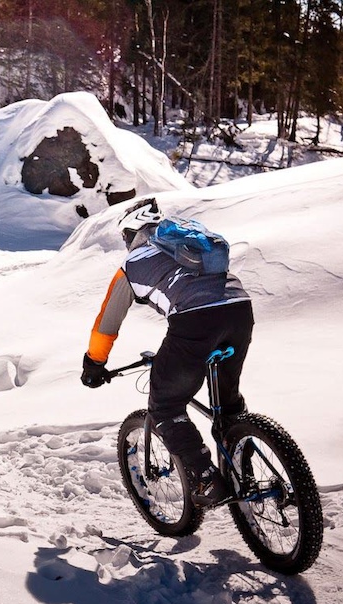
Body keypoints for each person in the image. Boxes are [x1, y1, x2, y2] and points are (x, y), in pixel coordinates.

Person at [81, 198, 254, 507]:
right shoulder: (189, 243)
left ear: (132, 233)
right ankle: (246, 470)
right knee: (228, 406)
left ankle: (205, 480)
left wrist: (94, 363)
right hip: (240, 310)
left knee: (165, 406)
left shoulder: (133, 263)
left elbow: (107, 323)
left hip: (195, 322)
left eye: (125, 237)